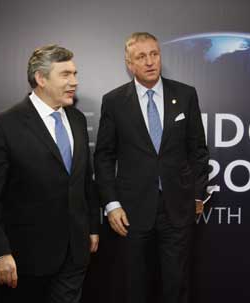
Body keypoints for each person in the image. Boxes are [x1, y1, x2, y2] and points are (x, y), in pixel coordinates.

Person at [0, 44, 99, 303]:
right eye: (65, 74)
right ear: (41, 79)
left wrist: (92, 228)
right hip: (26, 260)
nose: (74, 82)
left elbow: (83, 180)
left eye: (75, 74)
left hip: (75, 254)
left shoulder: (76, 119)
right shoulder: (5, 125)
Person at [94, 32, 209, 303]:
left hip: (177, 209)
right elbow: (104, 157)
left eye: (154, 54)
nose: (149, 62)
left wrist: (196, 194)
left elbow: (199, 151)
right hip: (132, 212)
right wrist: (111, 204)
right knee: (135, 287)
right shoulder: (113, 102)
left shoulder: (185, 94)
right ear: (129, 63)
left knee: (176, 285)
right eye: (141, 56)